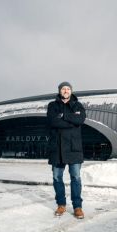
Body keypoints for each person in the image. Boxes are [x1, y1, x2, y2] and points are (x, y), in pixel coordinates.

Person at [47, 81, 86, 219]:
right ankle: (61, 204)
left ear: (71, 91)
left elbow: (80, 119)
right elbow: (53, 121)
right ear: (59, 91)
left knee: (75, 177)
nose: (65, 91)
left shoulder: (78, 105)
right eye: (63, 89)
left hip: (74, 148)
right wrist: (71, 120)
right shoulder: (52, 106)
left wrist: (63, 116)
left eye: (68, 89)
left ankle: (77, 207)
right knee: (57, 177)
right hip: (57, 149)